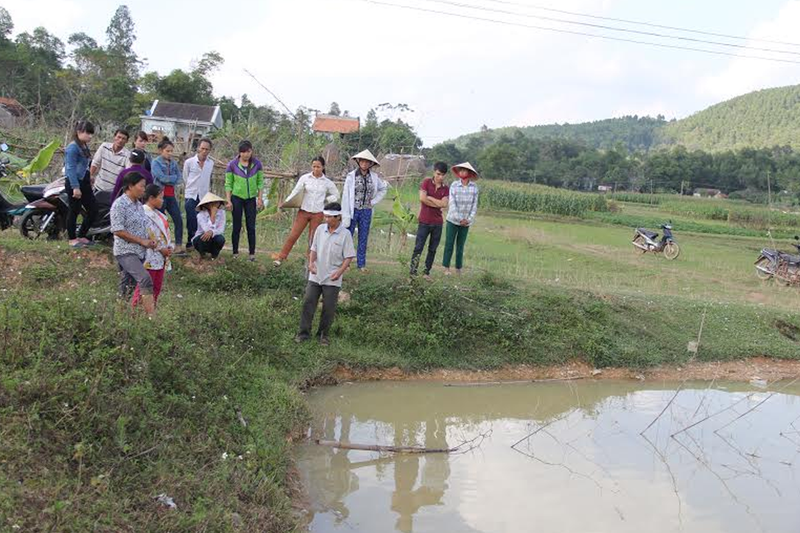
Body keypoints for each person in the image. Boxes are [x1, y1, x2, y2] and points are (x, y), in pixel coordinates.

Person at [295, 202, 356, 346]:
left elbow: (348, 257)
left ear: (337, 217)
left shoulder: (345, 234)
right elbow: (313, 248)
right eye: (326, 216)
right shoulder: (320, 230)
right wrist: (311, 263)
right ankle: (303, 333)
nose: (326, 219)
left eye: (329, 217)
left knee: (328, 308)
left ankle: (323, 335)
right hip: (316, 273)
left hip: (333, 276)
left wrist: (339, 272)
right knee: (308, 303)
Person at [273, 155, 339, 266]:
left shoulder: (326, 182)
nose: (316, 169)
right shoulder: (305, 178)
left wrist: (326, 201)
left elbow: (336, 194)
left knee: (312, 239)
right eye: (314, 166)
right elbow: (295, 191)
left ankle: (310, 262)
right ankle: (281, 257)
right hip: (304, 211)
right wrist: (285, 203)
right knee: (293, 235)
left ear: (323, 167)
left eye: (318, 167)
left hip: (318, 213)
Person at [110, 172, 157, 315]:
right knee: (145, 279)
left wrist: (149, 240)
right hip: (126, 251)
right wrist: (141, 241)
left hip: (139, 252)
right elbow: (118, 230)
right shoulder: (120, 204)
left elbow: (141, 227)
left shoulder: (138, 205)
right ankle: (152, 317)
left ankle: (118, 317)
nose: (144, 190)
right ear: (130, 186)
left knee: (126, 287)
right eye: (141, 186)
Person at [341, 149, 387, 271]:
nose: (364, 164)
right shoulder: (351, 176)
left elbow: (383, 189)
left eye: (367, 162)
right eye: (362, 161)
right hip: (353, 209)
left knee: (363, 237)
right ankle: (346, 263)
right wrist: (344, 212)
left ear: (370, 164)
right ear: (358, 161)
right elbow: (346, 195)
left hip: (366, 210)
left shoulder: (374, 177)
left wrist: (373, 201)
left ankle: (361, 264)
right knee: (348, 235)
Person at [133, 184, 173, 309]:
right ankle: (136, 312)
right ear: (151, 198)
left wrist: (168, 247)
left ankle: (149, 313)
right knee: (145, 287)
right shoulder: (144, 213)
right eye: (160, 197)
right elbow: (149, 235)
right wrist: (161, 249)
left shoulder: (158, 214)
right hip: (149, 256)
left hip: (160, 257)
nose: (163, 200)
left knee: (156, 287)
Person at [409, 161, 450, 278]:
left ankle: (426, 272)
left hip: (437, 223)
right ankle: (413, 271)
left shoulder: (446, 189)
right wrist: (438, 203)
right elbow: (422, 199)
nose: (440, 177)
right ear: (434, 172)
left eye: (442, 175)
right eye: (438, 174)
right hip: (424, 221)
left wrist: (430, 198)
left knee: (432, 249)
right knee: (418, 247)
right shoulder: (426, 182)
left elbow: (444, 204)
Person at [224, 140, 263, 261]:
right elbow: (228, 184)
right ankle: (235, 252)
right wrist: (228, 200)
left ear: (252, 151)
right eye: (243, 152)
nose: (246, 154)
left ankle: (252, 254)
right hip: (236, 198)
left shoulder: (257, 164)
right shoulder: (232, 165)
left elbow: (260, 183)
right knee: (236, 226)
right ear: (239, 153)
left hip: (251, 199)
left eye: (248, 151)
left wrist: (260, 199)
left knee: (251, 226)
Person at [64, 120, 99, 249]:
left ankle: (82, 235)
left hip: (84, 181)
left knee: (93, 209)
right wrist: (75, 187)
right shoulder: (73, 147)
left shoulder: (84, 145)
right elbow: (71, 168)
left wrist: (89, 176)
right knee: (74, 210)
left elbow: (85, 164)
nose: (90, 136)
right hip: (75, 182)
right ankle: (72, 239)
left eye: (91, 134)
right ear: (79, 132)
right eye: (87, 133)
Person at [442, 162, 479, 275]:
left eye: (465, 170)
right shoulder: (454, 185)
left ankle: (458, 268)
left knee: (460, 245)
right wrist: (459, 219)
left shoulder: (474, 188)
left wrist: (468, 219)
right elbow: (452, 203)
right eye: (460, 170)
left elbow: (474, 205)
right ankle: (446, 268)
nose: (462, 172)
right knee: (449, 244)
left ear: (469, 173)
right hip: (453, 220)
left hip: (466, 222)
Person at [151, 137, 185, 253]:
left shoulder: (174, 163)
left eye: (171, 151)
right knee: (160, 221)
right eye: (168, 151)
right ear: (161, 150)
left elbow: (180, 178)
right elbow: (161, 178)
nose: (170, 153)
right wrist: (172, 179)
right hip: (160, 196)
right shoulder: (156, 162)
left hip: (171, 195)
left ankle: (179, 245)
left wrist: (171, 179)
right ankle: (161, 245)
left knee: (178, 220)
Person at [183, 138, 214, 252]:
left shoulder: (210, 163)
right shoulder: (189, 162)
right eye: (202, 148)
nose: (204, 151)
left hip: (203, 196)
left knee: (202, 220)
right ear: (198, 148)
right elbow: (185, 178)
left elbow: (208, 179)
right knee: (191, 219)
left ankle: (199, 244)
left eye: (207, 149)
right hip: (191, 194)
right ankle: (190, 241)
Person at [91, 128, 131, 193]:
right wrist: (91, 175)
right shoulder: (104, 146)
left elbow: (127, 172)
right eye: (119, 137)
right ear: (114, 137)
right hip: (99, 186)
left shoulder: (127, 155)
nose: (120, 140)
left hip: (114, 191)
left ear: (126, 141)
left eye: (123, 139)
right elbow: (95, 162)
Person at [192, 192, 227, 259]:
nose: (214, 205)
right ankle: (202, 255)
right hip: (201, 240)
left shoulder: (222, 213)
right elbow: (206, 229)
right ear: (206, 205)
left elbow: (221, 229)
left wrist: (212, 232)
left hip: (214, 238)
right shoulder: (200, 215)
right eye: (211, 203)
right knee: (204, 237)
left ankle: (214, 256)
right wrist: (212, 216)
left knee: (220, 239)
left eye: (216, 202)